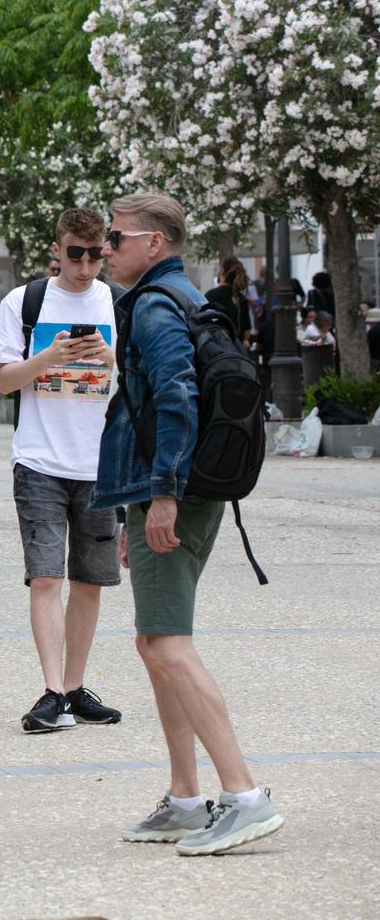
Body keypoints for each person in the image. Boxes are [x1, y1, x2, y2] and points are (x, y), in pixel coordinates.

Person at [97, 191, 284, 854]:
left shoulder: (154, 306)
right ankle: (183, 798)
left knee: (169, 643)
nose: (104, 249)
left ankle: (245, 795)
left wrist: (164, 495)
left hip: (173, 490)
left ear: (156, 242)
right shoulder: (183, 296)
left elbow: (176, 396)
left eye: (115, 238)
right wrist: (136, 506)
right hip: (168, 489)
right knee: (156, 641)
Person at [0, 207, 126, 734]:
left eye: (95, 255)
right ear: (57, 249)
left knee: (90, 581)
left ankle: (74, 688)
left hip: (100, 461)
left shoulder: (118, 303)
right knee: (45, 576)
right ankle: (51, 691)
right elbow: (1, 381)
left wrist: (108, 357)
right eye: (75, 254)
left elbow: (135, 377)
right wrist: (49, 356)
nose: (85, 266)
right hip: (39, 459)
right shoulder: (23, 302)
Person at [204, 257, 254, 346]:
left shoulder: (211, 295)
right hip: (237, 353)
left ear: (222, 271)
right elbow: (247, 333)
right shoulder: (242, 299)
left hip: (217, 352)